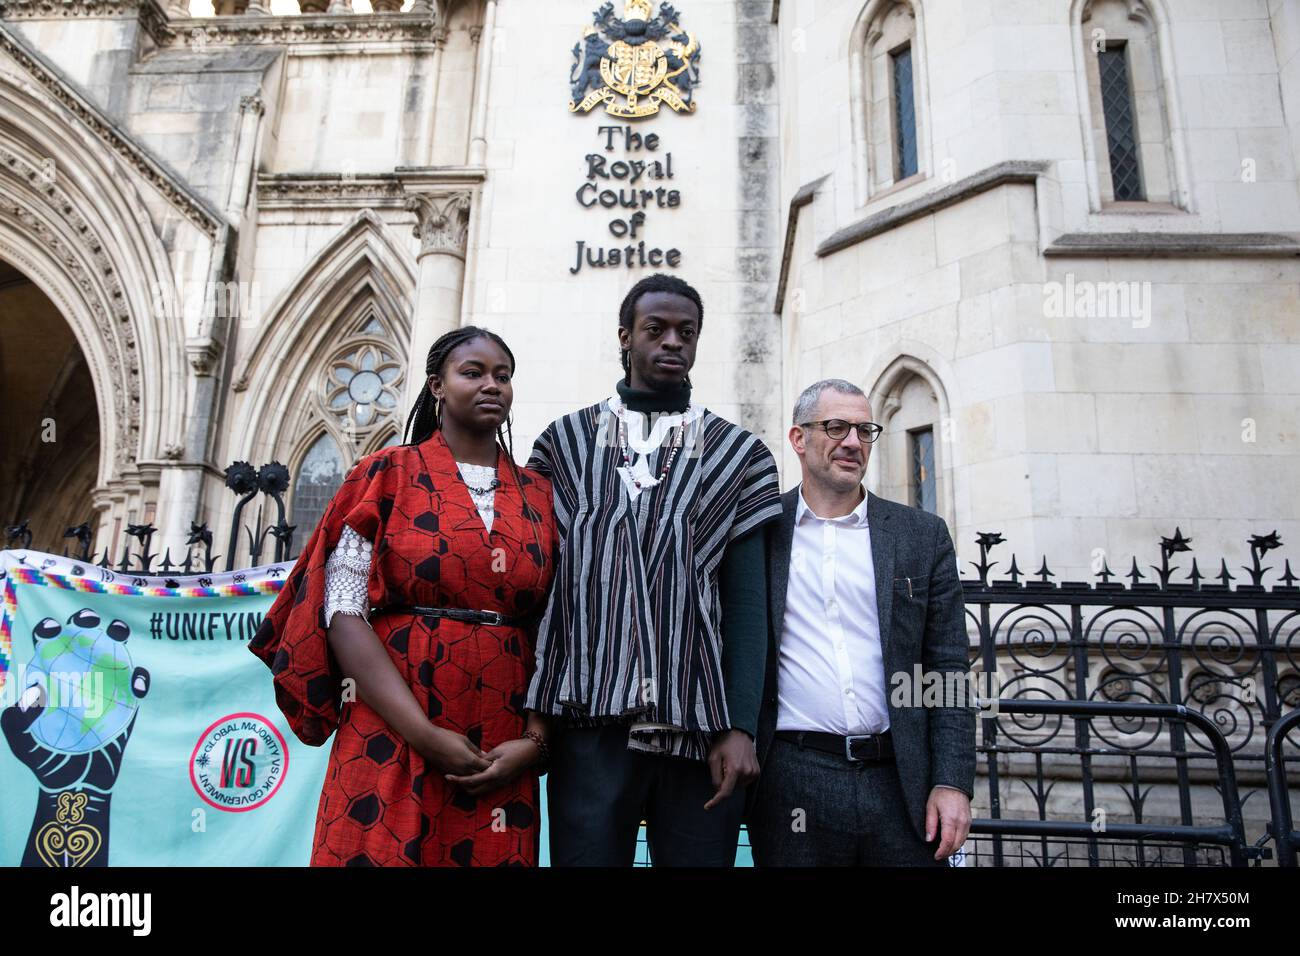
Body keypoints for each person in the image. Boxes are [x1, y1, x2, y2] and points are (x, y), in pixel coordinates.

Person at [249, 327, 557, 867]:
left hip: (500, 745)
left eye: (503, 376)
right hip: (391, 726)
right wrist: (423, 733)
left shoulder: (540, 496)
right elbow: (343, 612)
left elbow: (560, 627)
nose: (493, 385)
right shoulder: (385, 475)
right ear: (436, 386)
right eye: (473, 372)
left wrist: (535, 742)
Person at [525, 273, 783, 866]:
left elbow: (747, 605)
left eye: (686, 333)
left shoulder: (737, 455)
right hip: (588, 720)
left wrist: (740, 727)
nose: (673, 342)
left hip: (698, 729)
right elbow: (539, 590)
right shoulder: (564, 446)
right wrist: (535, 721)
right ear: (625, 336)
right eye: (656, 329)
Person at [748, 378, 976, 866]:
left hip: (900, 781)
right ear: (798, 438)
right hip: (792, 780)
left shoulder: (921, 535)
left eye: (865, 430)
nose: (853, 442)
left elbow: (948, 667)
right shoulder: (762, 531)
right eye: (836, 427)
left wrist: (951, 780)